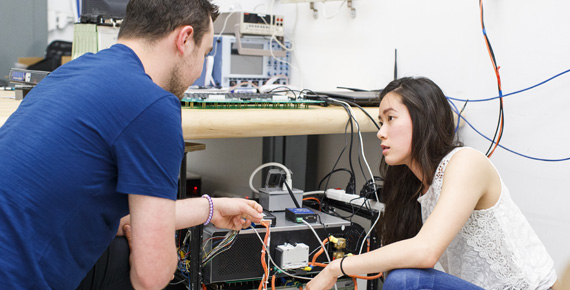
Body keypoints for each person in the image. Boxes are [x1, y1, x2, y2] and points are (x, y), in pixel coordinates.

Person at [0, 0, 263, 289]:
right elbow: (151, 277)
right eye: (205, 53)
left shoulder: (73, 72)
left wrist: (210, 208)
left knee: (118, 249)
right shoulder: (153, 104)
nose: (201, 68)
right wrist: (156, 254)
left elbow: (100, 213)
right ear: (185, 39)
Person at [306, 77, 559, 290]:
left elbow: (425, 251)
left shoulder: (466, 163)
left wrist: (335, 268)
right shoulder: (418, 186)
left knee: (406, 281)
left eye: (391, 118)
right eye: (381, 122)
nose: (381, 132)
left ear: (423, 119)